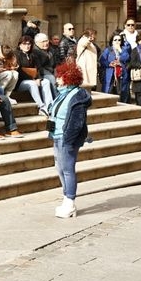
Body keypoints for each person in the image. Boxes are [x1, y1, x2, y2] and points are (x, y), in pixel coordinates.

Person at [48, 62, 92, 219]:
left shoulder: (76, 95)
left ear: (67, 78)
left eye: (59, 76)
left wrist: (68, 140)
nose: (57, 79)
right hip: (57, 135)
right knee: (60, 168)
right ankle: (66, 197)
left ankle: (70, 201)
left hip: (67, 138)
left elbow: (76, 122)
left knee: (67, 169)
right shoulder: (62, 93)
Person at [14, 35, 53, 115]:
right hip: (21, 81)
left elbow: (38, 67)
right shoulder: (16, 55)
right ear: (20, 45)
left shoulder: (33, 54)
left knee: (46, 81)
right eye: (24, 44)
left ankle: (49, 105)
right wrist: (33, 79)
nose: (27, 46)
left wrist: (38, 78)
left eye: (29, 44)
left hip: (33, 78)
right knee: (32, 84)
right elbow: (19, 71)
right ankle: (41, 107)